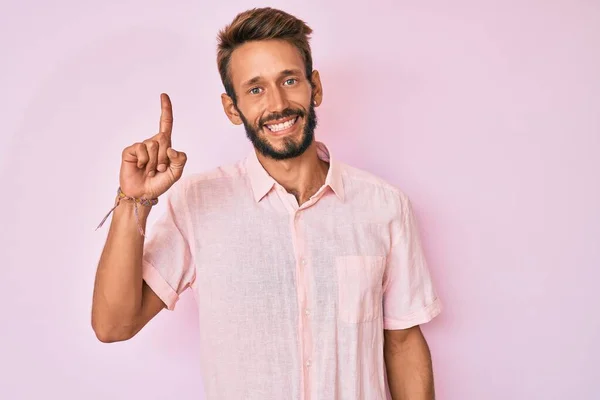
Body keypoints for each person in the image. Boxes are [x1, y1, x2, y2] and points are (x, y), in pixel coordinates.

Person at [91, 6, 442, 400]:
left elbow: (403, 343)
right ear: (232, 108)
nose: (277, 104)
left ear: (316, 87)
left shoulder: (384, 206)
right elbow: (113, 325)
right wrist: (134, 201)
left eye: (289, 80)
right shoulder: (197, 203)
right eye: (255, 89)